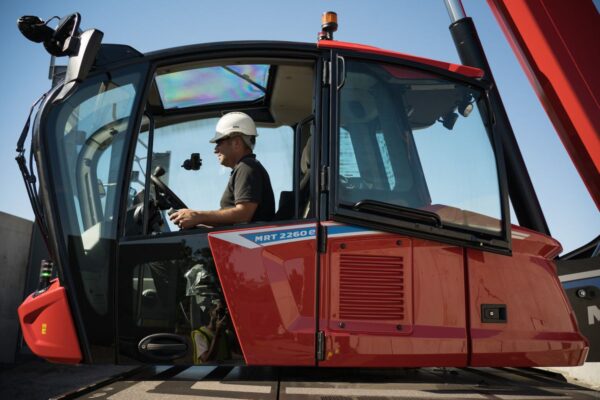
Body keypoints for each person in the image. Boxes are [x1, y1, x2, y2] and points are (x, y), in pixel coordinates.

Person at [170, 112, 275, 229]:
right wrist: (199, 223)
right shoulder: (245, 167)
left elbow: (244, 215)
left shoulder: (247, 167)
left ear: (236, 143)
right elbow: (234, 222)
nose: (215, 150)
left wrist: (197, 216)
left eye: (219, 142)